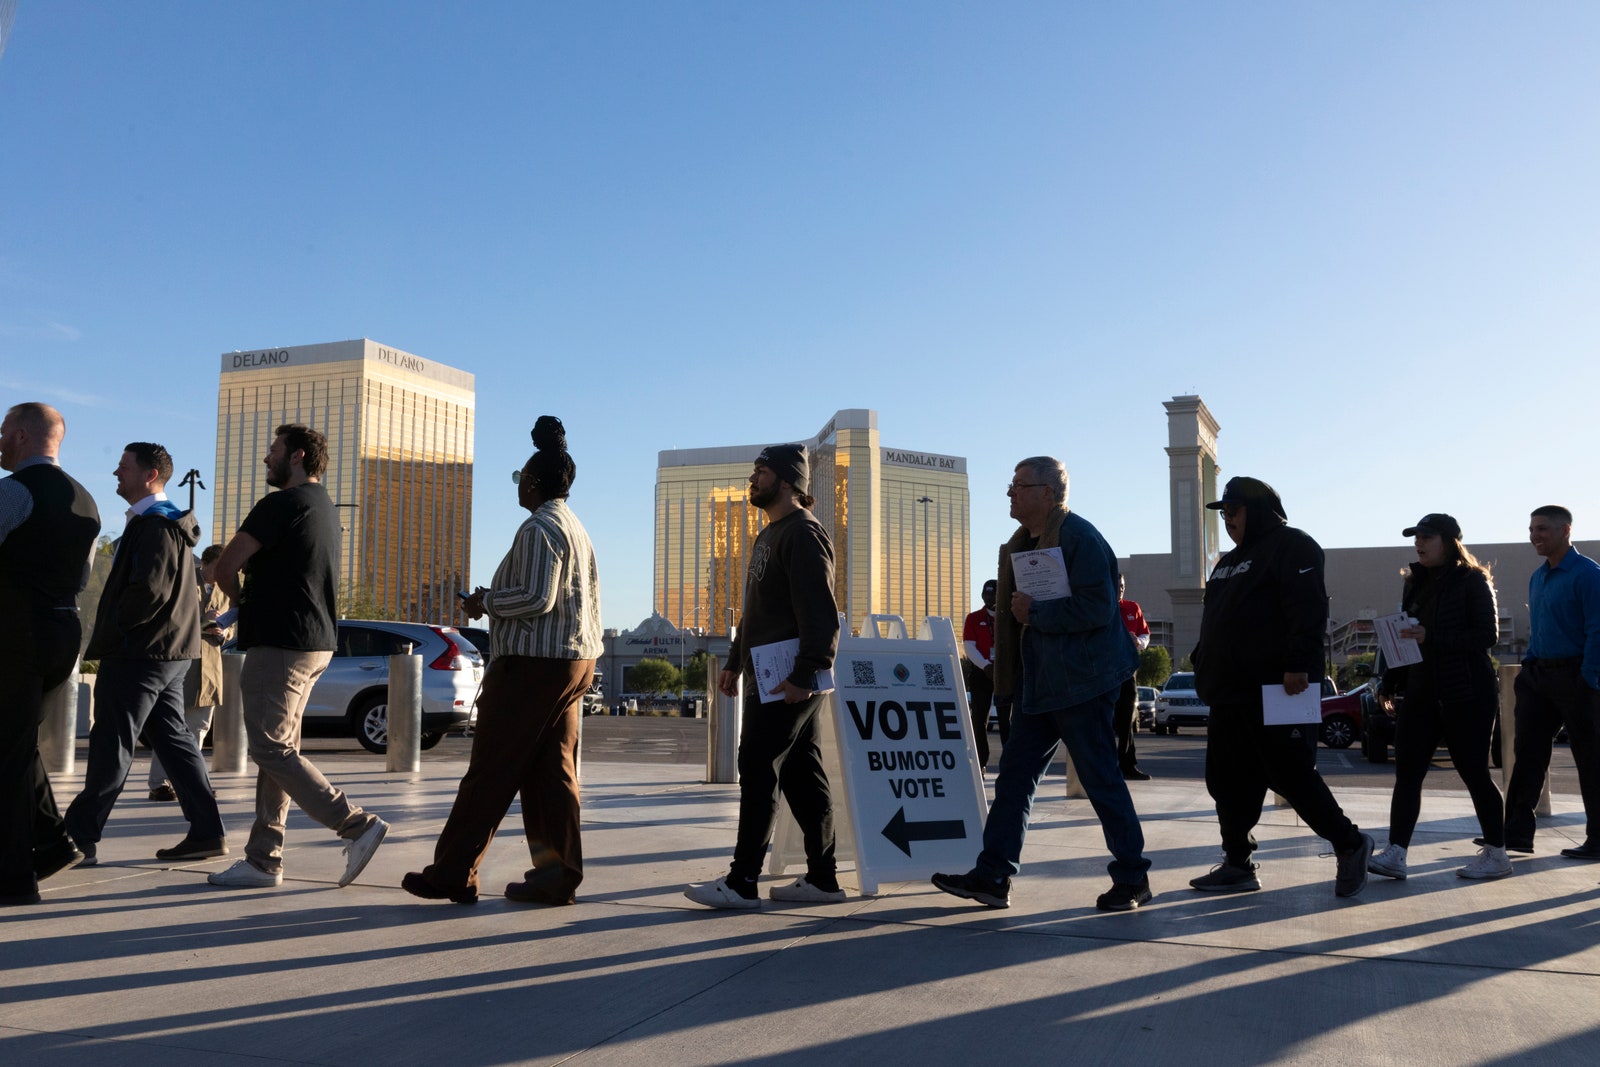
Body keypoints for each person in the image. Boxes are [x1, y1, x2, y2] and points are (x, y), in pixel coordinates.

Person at [931, 456, 1152, 912]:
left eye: (1019, 486)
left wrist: (1036, 613)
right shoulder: (1020, 543)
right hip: (1041, 684)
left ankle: (1133, 879)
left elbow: (1097, 609)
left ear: (1048, 494)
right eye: (1010, 486)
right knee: (1013, 779)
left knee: (1101, 780)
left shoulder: (1080, 538)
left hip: (1082, 684)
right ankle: (993, 876)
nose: (1010, 493)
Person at [403, 416, 602, 906]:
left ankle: (453, 873)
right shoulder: (574, 526)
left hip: (533, 664)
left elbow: (537, 597)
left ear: (533, 483)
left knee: (490, 769)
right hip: (574, 661)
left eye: (520, 478)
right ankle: (556, 878)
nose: (518, 486)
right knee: (550, 773)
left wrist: (486, 602)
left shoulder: (539, 527)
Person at [206, 424, 387, 889]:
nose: (267, 458)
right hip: (317, 641)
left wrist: (242, 603)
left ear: (297, 456)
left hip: (280, 643)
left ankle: (356, 824)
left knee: (269, 747)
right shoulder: (324, 507)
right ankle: (264, 859)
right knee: (280, 751)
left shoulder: (280, 504)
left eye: (273, 450)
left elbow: (226, 567)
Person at [1188, 476, 1373, 898]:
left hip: (1278, 689)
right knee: (1227, 781)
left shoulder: (1293, 546)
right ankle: (1238, 863)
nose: (1227, 520)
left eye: (1232, 511)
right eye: (1223, 514)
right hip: (1229, 692)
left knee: (1290, 775)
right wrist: (1203, 661)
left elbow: (1307, 609)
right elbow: (1215, 620)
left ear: (1256, 510)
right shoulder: (1227, 562)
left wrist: (1298, 666)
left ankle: (1350, 844)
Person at [685, 443, 844, 909]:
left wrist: (806, 673)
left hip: (789, 678)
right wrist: (735, 660)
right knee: (800, 773)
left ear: (789, 481)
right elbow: (756, 613)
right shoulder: (769, 534)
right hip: (768, 672)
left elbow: (821, 614)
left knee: (756, 765)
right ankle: (823, 881)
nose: (753, 479)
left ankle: (741, 882)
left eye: (761, 472)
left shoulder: (803, 534)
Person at [64, 443, 228, 864]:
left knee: (112, 743)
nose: (116, 473)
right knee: (174, 740)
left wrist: (116, 632)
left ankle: (77, 837)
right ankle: (208, 831)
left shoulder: (154, 525)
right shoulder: (164, 523)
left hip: (140, 653)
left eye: (124, 466)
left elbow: (148, 592)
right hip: (167, 653)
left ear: (151, 474)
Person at [1367, 514, 1510, 880]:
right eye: (1415, 537)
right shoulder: (1415, 581)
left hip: (1467, 690)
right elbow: (1406, 636)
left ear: (1448, 541)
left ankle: (1497, 854)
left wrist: (1432, 637)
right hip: (1421, 689)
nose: (1418, 543)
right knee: (1408, 772)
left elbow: (1487, 636)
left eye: (1426, 537)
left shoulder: (1473, 580)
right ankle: (1395, 853)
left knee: (1474, 771)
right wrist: (1389, 681)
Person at [0, 403, 101, 906]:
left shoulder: (13, 491)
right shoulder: (88, 501)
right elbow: (82, 577)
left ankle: (15, 880)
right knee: (16, 744)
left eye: (2, 434)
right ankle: (54, 844)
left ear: (19, 436)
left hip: (14, 633)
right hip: (63, 632)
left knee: (7, 755)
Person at [1503, 505, 1600, 858]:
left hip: (1577, 676)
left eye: (1542, 528)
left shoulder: (1588, 574)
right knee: (1527, 755)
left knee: (1591, 759)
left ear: (1566, 530)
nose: (1535, 536)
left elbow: (1597, 629)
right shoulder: (1537, 577)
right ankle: (1515, 836)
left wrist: (1589, 678)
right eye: (1531, 529)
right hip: (1538, 675)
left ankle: (1598, 839)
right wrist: (1529, 668)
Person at [148, 545, 233, 801]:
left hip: (210, 668)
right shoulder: (183, 581)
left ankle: (191, 782)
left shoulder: (227, 589)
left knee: (199, 729)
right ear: (205, 563)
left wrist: (224, 632)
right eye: (218, 566)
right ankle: (159, 783)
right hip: (182, 665)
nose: (222, 572)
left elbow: (232, 625)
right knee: (171, 725)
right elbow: (170, 620)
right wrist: (202, 620)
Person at [1115, 574, 1152, 780]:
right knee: (1102, 720)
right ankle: (1106, 766)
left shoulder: (1132, 607)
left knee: (1127, 718)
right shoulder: (1101, 607)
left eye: (1122, 586)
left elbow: (1145, 634)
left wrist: (1139, 641)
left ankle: (1127, 765)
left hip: (1128, 671)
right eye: (1116, 585)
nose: (1120, 589)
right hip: (1104, 671)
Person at [962, 579, 998, 768]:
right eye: (986, 593)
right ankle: (981, 762)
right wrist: (985, 666)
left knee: (1008, 722)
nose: (989, 597)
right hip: (982, 673)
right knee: (979, 720)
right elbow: (969, 646)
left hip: (1004, 674)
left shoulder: (1008, 617)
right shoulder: (974, 618)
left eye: (993, 594)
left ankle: (1010, 764)